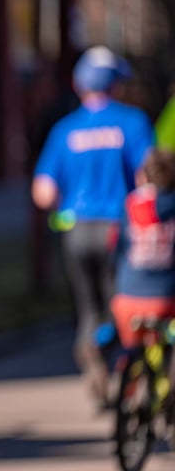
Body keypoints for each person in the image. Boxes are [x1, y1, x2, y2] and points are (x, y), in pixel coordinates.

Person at [31, 45, 155, 407]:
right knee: (121, 300)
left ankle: (91, 349)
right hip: (119, 228)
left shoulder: (64, 130)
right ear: (116, 85)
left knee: (87, 304)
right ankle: (121, 367)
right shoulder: (132, 122)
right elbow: (148, 175)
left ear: (80, 85)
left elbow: (43, 192)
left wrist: (64, 208)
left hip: (75, 229)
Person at [110, 147, 175, 350]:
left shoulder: (130, 205)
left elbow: (116, 250)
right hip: (167, 299)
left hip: (127, 298)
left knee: (131, 350)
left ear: (142, 176)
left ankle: (128, 373)